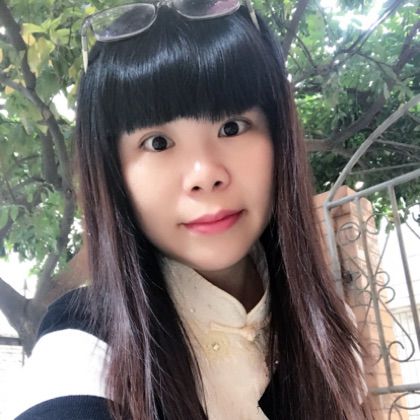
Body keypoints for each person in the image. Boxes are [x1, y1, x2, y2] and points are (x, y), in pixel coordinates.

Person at [11, 1, 370, 419]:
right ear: (113, 172)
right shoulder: (88, 341)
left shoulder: (328, 327)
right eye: (157, 143)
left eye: (231, 127)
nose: (205, 174)